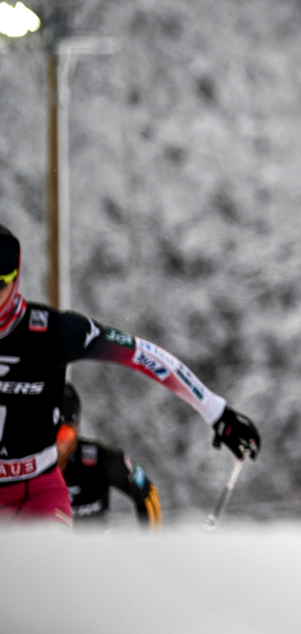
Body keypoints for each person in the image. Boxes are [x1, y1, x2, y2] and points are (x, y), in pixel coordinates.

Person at [0, 224, 260, 525]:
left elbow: (142, 354)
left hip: (36, 491)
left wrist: (217, 411)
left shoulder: (52, 331)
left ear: (15, 279)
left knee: (45, 555)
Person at [56, 383, 161, 527]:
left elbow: (147, 493)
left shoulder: (100, 459)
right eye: (45, 433)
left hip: (94, 541)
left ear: (76, 431)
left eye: (63, 433)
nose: (54, 443)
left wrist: (151, 539)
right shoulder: (29, 464)